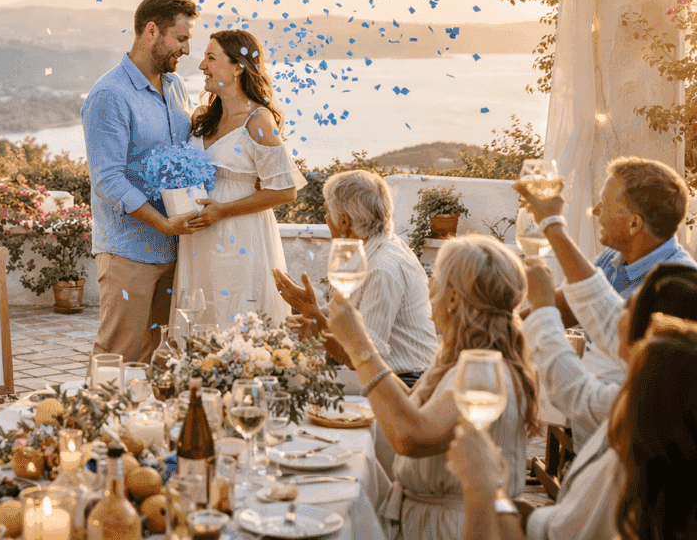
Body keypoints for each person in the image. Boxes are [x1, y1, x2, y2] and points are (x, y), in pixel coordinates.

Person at [326, 235, 539, 540]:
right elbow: (410, 406)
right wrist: (352, 345)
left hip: (456, 529)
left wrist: (361, 346)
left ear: (453, 298)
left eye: (435, 279)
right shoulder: (459, 359)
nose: (428, 288)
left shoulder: (486, 374)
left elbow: (411, 434)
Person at [448, 313, 697, 540]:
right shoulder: (668, 500)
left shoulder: (622, 478)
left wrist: (483, 485)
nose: (618, 394)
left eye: (630, 384)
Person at [515, 259, 697, 538]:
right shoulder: (670, 403)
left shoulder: (637, 439)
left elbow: (579, 393)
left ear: (651, 332)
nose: (617, 311)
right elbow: (602, 313)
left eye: (626, 305)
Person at [82, 0, 199, 364]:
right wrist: (161, 223)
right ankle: (97, 422)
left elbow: (185, 155)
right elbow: (108, 180)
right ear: (152, 31)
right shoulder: (109, 95)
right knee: (119, 355)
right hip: (129, 250)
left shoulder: (177, 87)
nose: (185, 49)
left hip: (175, 249)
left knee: (163, 360)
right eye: (180, 38)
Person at [515, 156, 694, 386]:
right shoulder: (613, 258)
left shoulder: (677, 286)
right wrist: (498, 329)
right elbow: (569, 305)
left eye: (604, 204)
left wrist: (551, 223)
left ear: (634, 224)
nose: (596, 211)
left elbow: (630, 364)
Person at [170, 29, 300, 327]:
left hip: (241, 234)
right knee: (199, 317)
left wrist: (223, 210)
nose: (202, 65)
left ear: (238, 67)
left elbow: (286, 191)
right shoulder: (202, 117)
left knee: (237, 316)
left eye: (211, 58)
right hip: (198, 235)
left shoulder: (259, 121)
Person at [273, 170, 438, 386]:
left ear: (343, 221)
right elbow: (348, 327)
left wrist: (314, 316)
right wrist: (314, 318)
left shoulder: (382, 268)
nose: (325, 218)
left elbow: (362, 358)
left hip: (407, 385)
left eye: (326, 211)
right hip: (384, 378)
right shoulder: (371, 248)